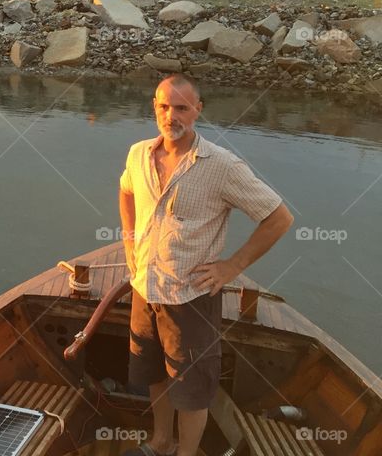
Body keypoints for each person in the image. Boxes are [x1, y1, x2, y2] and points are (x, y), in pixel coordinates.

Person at [119, 75, 294, 456]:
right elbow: (127, 191)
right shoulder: (138, 154)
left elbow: (279, 218)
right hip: (144, 288)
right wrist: (129, 240)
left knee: (192, 390)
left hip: (190, 297)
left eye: (182, 107)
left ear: (198, 110)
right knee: (153, 375)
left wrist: (233, 266)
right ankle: (161, 442)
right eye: (164, 106)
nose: (171, 116)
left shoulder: (223, 166)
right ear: (154, 106)